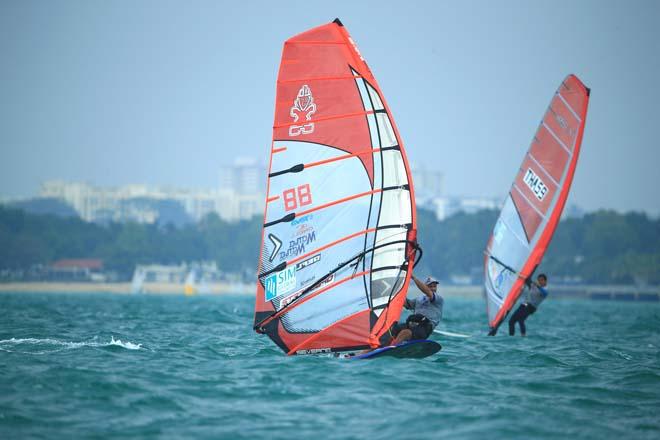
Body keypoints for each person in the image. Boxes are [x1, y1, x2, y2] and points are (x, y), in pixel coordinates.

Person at [389, 275, 444, 344]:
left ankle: (393, 346)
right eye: (430, 286)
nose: (433, 288)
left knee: (405, 333)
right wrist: (395, 292)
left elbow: (427, 292)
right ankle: (380, 346)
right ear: (426, 286)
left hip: (425, 327)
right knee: (393, 328)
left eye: (434, 286)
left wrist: (414, 278)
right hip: (413, 324)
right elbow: (407, 304)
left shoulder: (438, 299)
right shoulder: (419, 299)